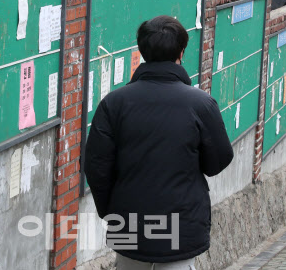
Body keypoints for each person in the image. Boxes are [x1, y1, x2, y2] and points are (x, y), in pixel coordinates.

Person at [84, 15, 234, 269]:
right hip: (181, 228)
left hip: (129, 226)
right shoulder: (200, 104)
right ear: (182, 52)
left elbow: (96, 166)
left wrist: (113, 212)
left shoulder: (114, 104)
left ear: (142, 51)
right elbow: (218, 161)